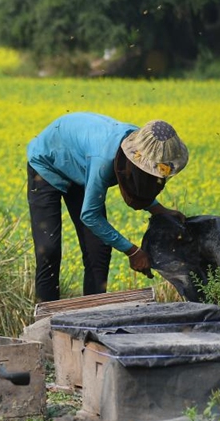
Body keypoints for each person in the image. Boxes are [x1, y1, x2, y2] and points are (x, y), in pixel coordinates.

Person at [26, 112, 188, 302]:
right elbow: (90, 216)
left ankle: (93, 314)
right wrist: (133, 252)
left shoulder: (146, 148)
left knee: (98, 250)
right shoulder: (105, 159)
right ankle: (45, 319)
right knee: (49, 250)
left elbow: (138, 182)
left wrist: (159, 210)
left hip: (81, 168)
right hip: (47, 164)